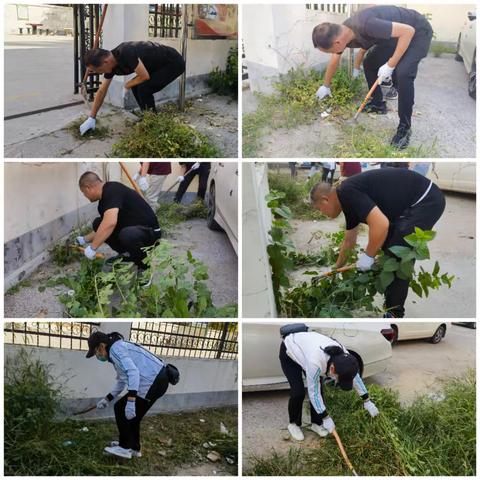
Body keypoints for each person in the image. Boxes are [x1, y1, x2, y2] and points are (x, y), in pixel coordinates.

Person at [309, 168, 446, 318]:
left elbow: (380, 224)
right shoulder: (346, 200)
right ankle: (390, 304)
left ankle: (394, 314)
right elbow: (349, 240)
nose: (322, 213)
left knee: (397, 254)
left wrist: (368, 256)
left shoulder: (348, 191)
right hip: (410, 204)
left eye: (319, 209)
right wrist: (336, 269)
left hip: (426, 200)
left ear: (325, 199)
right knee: (389, 247)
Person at [312, 6, 433, 149]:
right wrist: (326, 86)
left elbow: (408, 32)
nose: (332, 54)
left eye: (330, 51)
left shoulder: (367, 25)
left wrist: (390, 65)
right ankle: (377, 104)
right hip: (395, 36)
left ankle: (405, 128)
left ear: (337, 43)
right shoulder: (342, 32)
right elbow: (334, 60)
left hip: (417, 31)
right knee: (370, 63)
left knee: (403, 73)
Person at [279, 324, 379, 441]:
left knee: (320, 391)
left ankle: (316, 424)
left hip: (308, 349)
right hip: (290, 352)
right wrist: (326, 417)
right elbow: (313, 392)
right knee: (298, 392)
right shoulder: (315, 362)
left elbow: (354, 376)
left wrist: (367, 400)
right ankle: (293, 424)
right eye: (339, 378)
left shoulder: (344, 356)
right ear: (332, 369)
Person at [86, 330, 176, 459]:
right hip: (158, 380)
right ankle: (134, 448)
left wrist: (131, 402)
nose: (97, 356)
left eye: (95, 352)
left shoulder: (115, 350)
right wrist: (106, 399)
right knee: (134, 417)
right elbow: (122, 380)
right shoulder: (116, 349)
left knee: (120, 409)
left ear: (101, 346)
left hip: (153, 382)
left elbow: (133, 373)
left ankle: (124, 447)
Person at [79, 41, 185, 135]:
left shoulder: (126, 52)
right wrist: (91, 118)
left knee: (144, 89)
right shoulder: (111, 65)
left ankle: (153, 124)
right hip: (156, 66)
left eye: (98, 70)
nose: (99, 73)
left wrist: (127, 85)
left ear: (106, 62)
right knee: (137, 86)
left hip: (173, 62)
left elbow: (144, 76)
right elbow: (102, 91)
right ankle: (148, 118)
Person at [76, 171, 161, 269]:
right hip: (137, 230)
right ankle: (128, 255)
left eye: (84, 193)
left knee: (127, 234)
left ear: (88, 188)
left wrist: (92, 248)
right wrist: (84, 239)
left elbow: (110, 223)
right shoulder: (105, 199)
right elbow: (104, 227)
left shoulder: (112, 190)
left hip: (151, 233)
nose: (85, 196)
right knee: (98, 223)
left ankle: (144, 267)